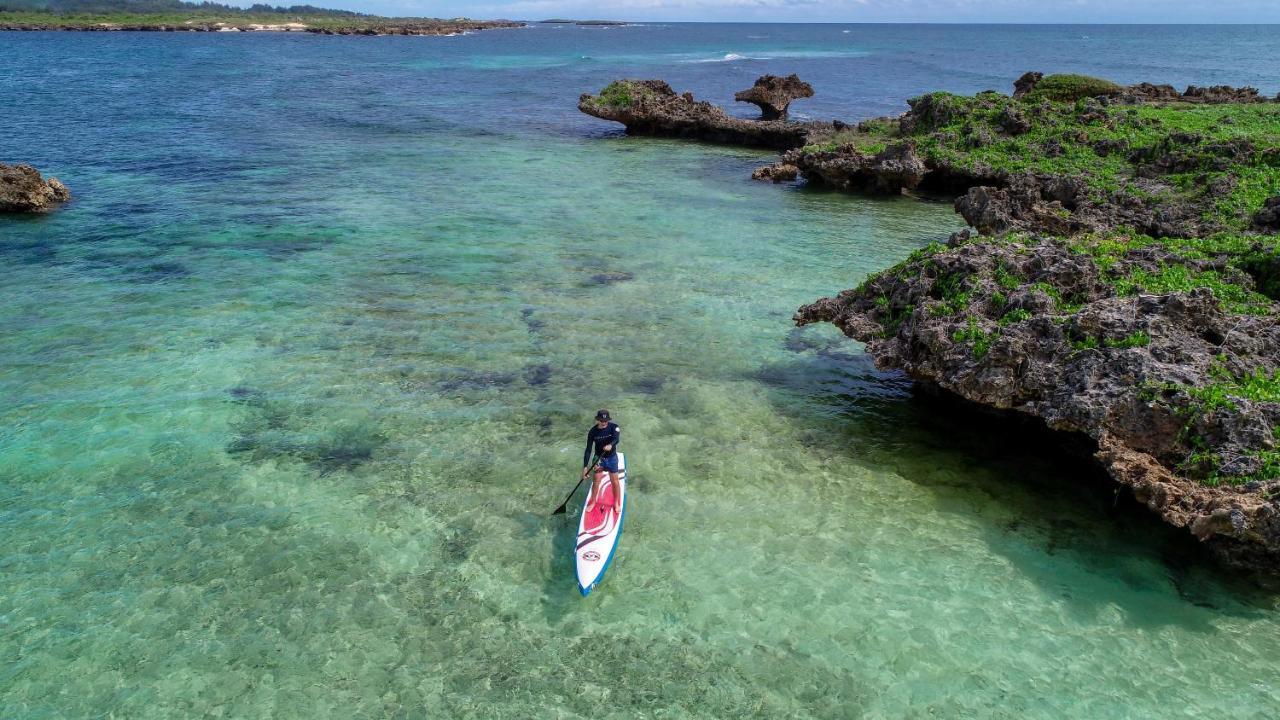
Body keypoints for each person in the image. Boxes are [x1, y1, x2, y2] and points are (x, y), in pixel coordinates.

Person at [582, 409, 622, 514]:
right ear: (598, 420)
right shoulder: (592, 432)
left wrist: (611, 445)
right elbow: (588, 450)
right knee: (596, 482)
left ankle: (617, 503)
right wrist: (585, 467)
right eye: (601, 420)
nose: (604, 422)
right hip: (598, 459)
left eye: (606, 420)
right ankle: (593, 502)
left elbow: (616, 439)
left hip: (612, 458)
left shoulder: (614, 427)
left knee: (615, 482)